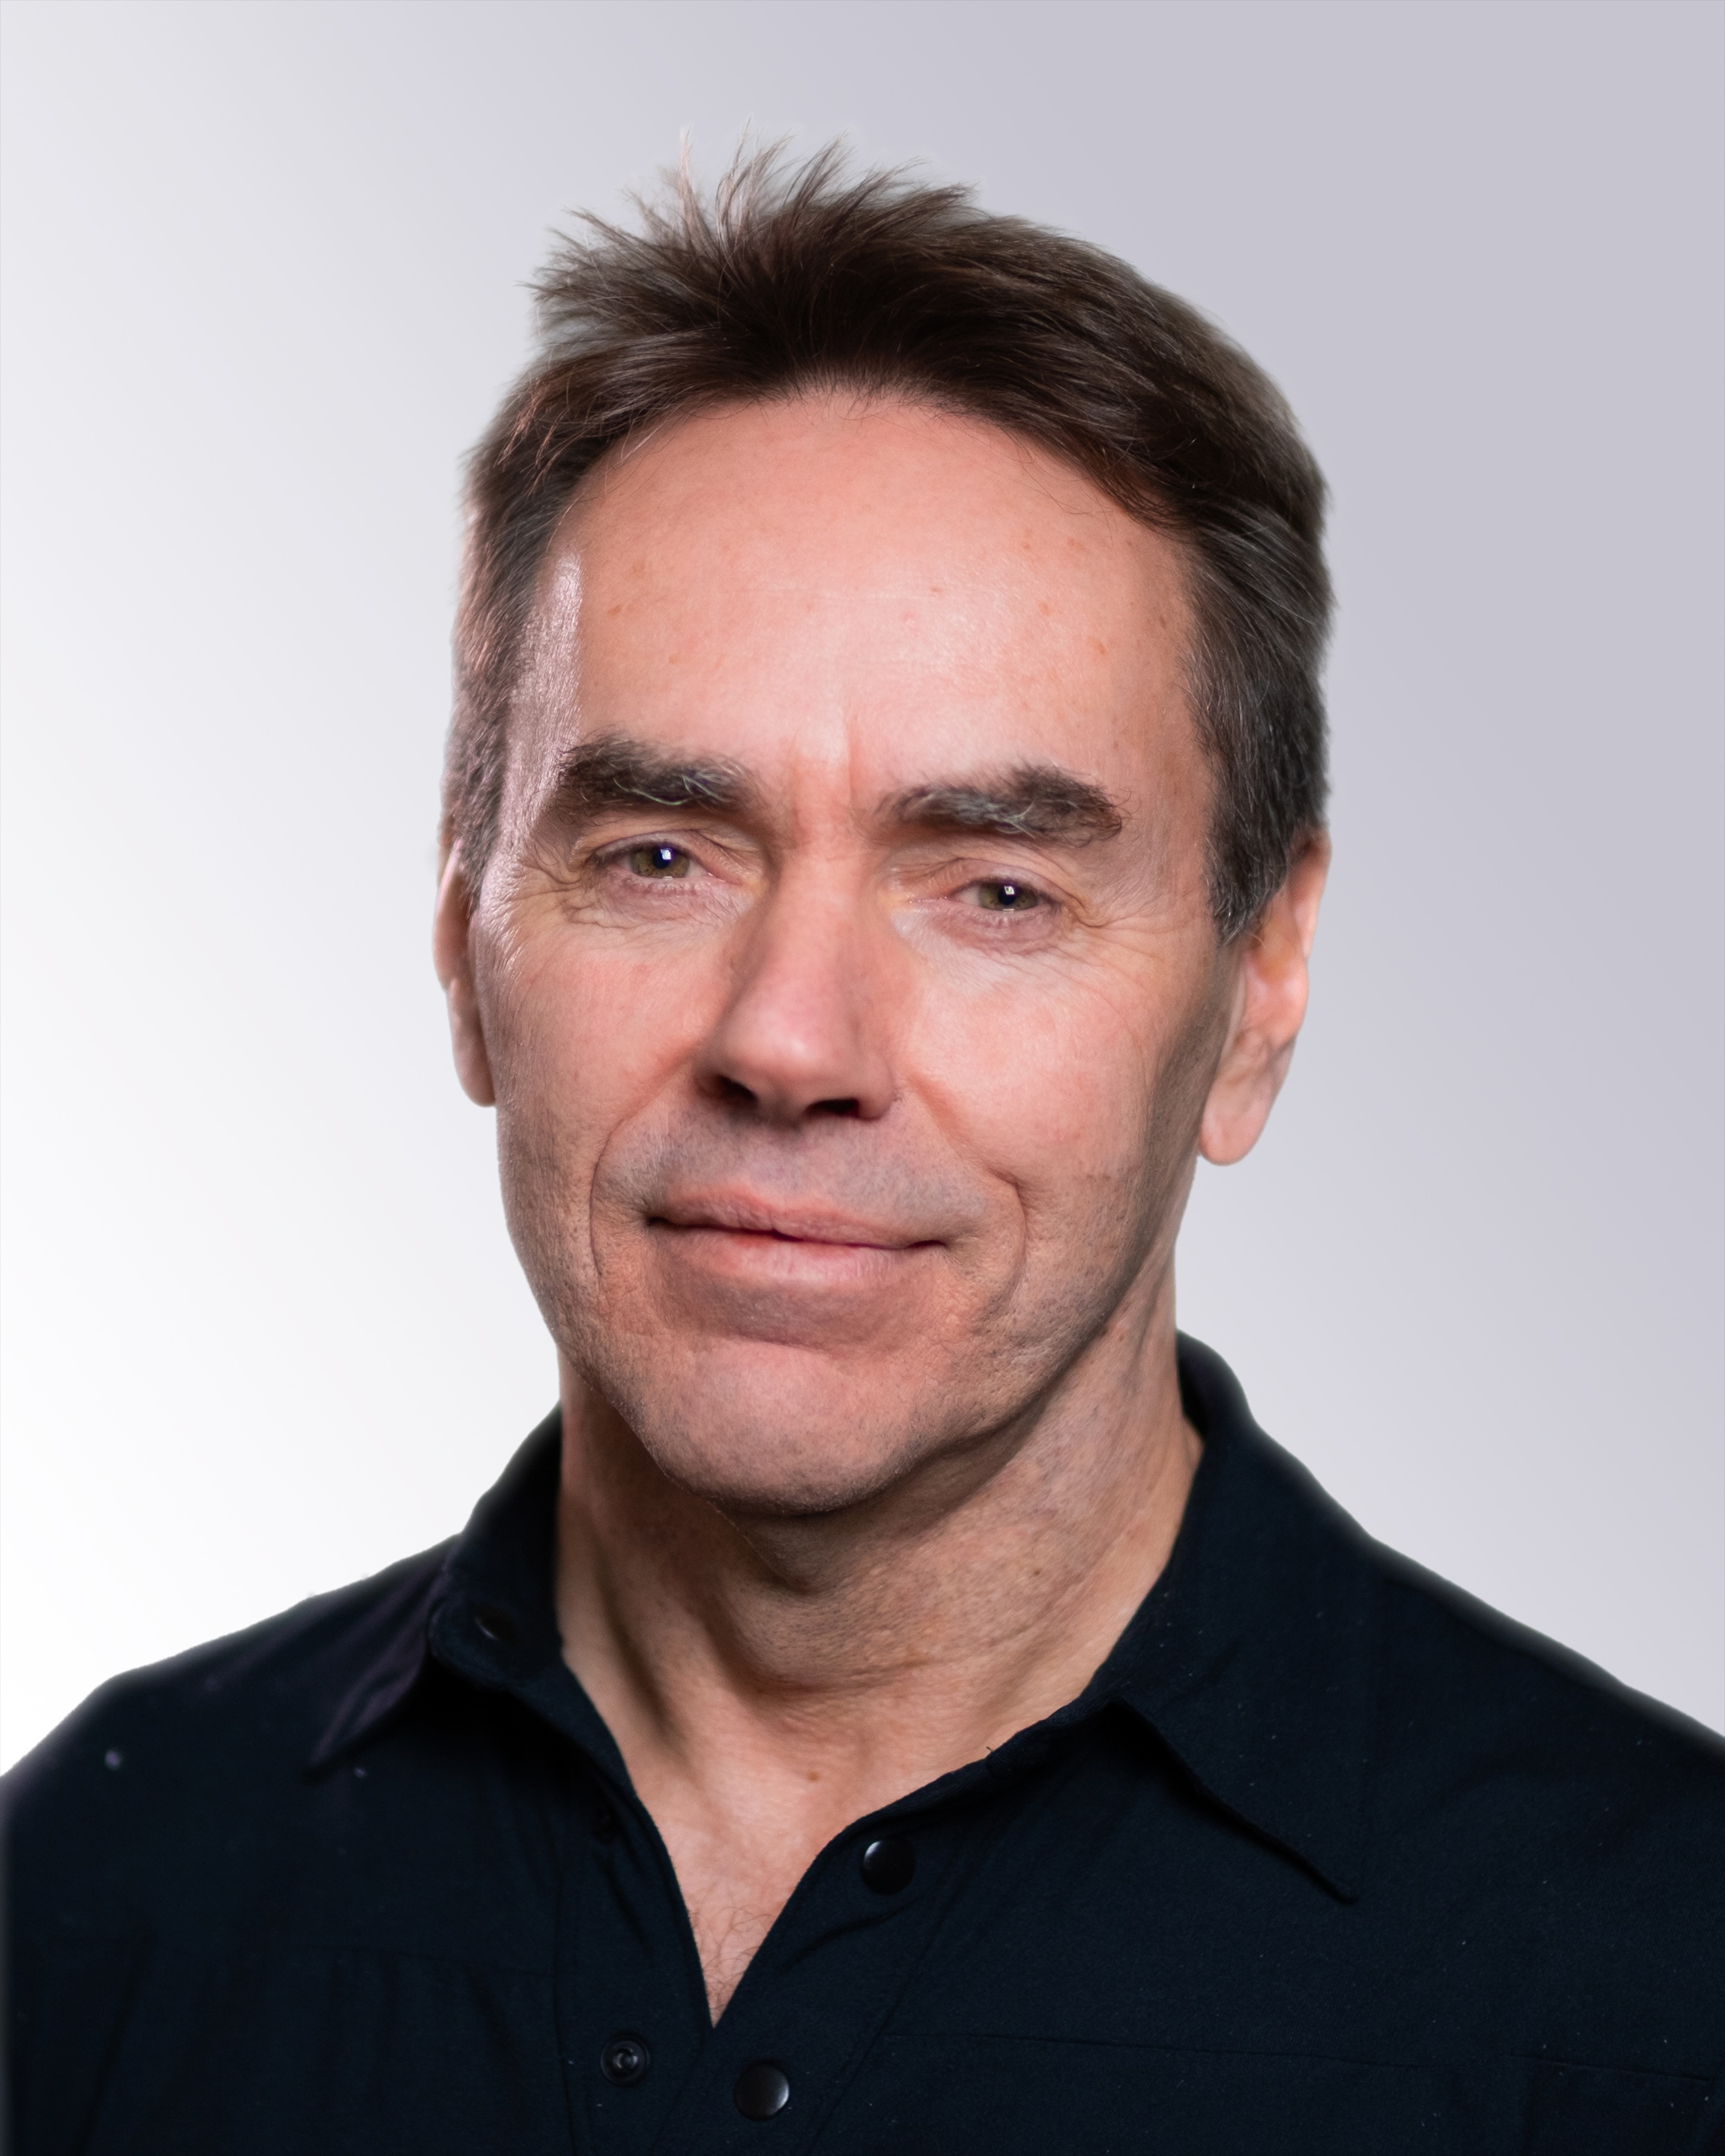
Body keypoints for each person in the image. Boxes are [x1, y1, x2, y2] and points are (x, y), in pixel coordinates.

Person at [6, 144, 1721, 2155]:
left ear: (1261, 983)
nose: (791, 1043)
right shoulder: (95, 1903)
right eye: (660, 857)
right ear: (463, 946)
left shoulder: (1658, 1990)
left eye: (995, 889)